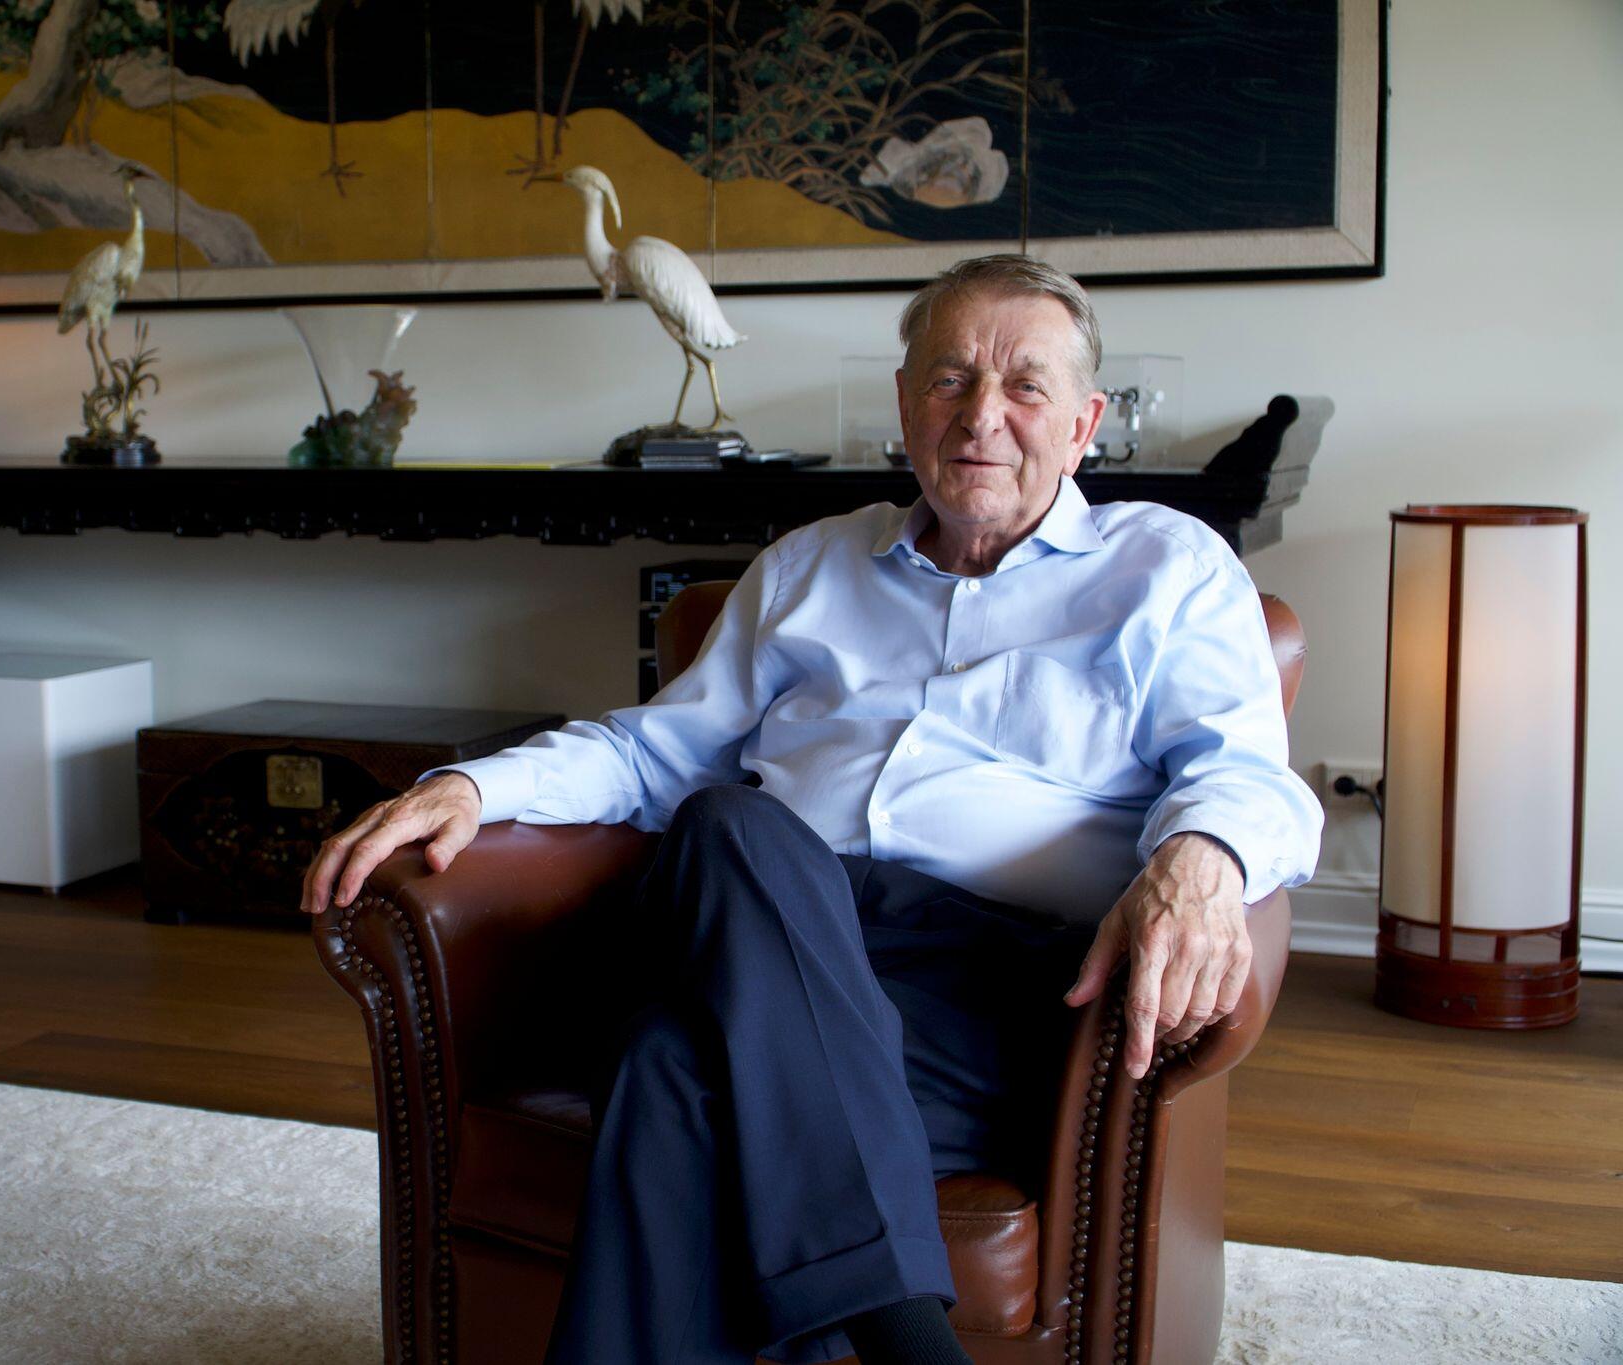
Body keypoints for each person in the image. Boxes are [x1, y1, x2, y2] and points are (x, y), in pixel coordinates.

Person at [301, 254, 1322, 1365]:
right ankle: (904, 1339)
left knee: (667, 1072)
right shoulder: (807, 568)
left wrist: (1201, 858)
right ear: (905, 404)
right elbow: (650, 754)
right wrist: (470, 785)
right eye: (949, 378)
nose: (981, 414)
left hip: (988, 998)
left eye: (1024, 386)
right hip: (768, 928)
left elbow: (1245, 774)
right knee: (727, 828)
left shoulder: (1167, 570)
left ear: (1083, 425)